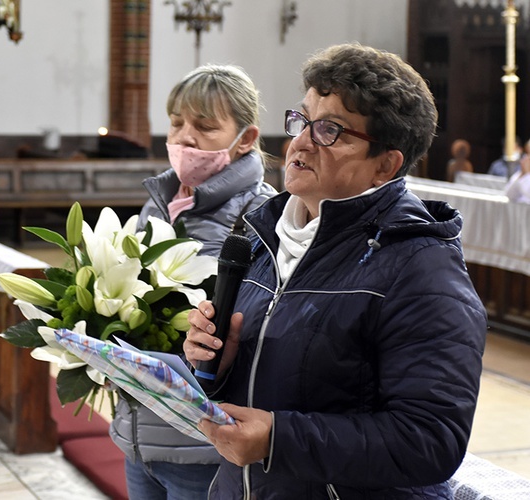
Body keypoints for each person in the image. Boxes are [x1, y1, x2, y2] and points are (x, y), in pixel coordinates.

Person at [185, 43, 487, 499]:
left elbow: (431, 440)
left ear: (385, 165)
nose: (300, 142)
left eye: (330, 130)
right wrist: (220, 365)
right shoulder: (265, 237)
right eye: (302, 119)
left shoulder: (421, 267)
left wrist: (278, 439)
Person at [108, 64, 276, 499]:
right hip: (140, 432)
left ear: (247, 139)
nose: (185, 137)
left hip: (202, 445)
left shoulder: (264, 216)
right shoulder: (160, 202)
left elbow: (262, 331)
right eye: (177, 123)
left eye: (205, 127)